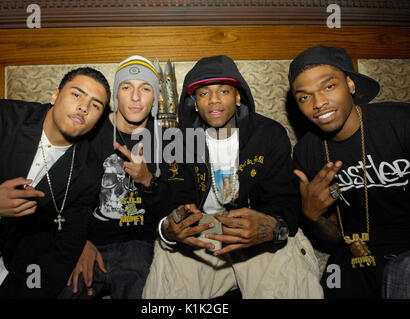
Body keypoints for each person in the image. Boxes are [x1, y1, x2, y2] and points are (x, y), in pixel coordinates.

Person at [142, 55, 322, 299]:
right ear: (194, 102)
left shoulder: (268, 134)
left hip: (255, 229)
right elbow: (173, 201)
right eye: (204, 93)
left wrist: (275, 228)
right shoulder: (178, 140)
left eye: (224, 91)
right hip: (202, 231)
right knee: (170, 277)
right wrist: (169, 229)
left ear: (238, 97)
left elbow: (283, 201)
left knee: (286, 264)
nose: (214, 100)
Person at [0, 67, 110, 298]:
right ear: (54, 95)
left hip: (19, 277)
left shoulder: (89, 171)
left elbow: (66, 245)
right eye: (77, 94)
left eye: (96, 105)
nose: (84, 107)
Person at [290, 45, 410, 298]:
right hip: (356, 254)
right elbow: (333, 239)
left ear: (351, 85)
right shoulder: (307, 152)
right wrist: (312, 216)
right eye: (304, 97)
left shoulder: (400, 122)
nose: (319, 103)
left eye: (329, 86)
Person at [59, 55, 163, 299]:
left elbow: (171, 208)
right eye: (126, 87)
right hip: (88, 242)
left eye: (145, 88)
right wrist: (79, 243)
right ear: (115, 95)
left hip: (139, 245)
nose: (135, 97)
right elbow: (63, 196)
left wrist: (147, 179)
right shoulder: (88, 131)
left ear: (156, 98)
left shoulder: (166, 140)